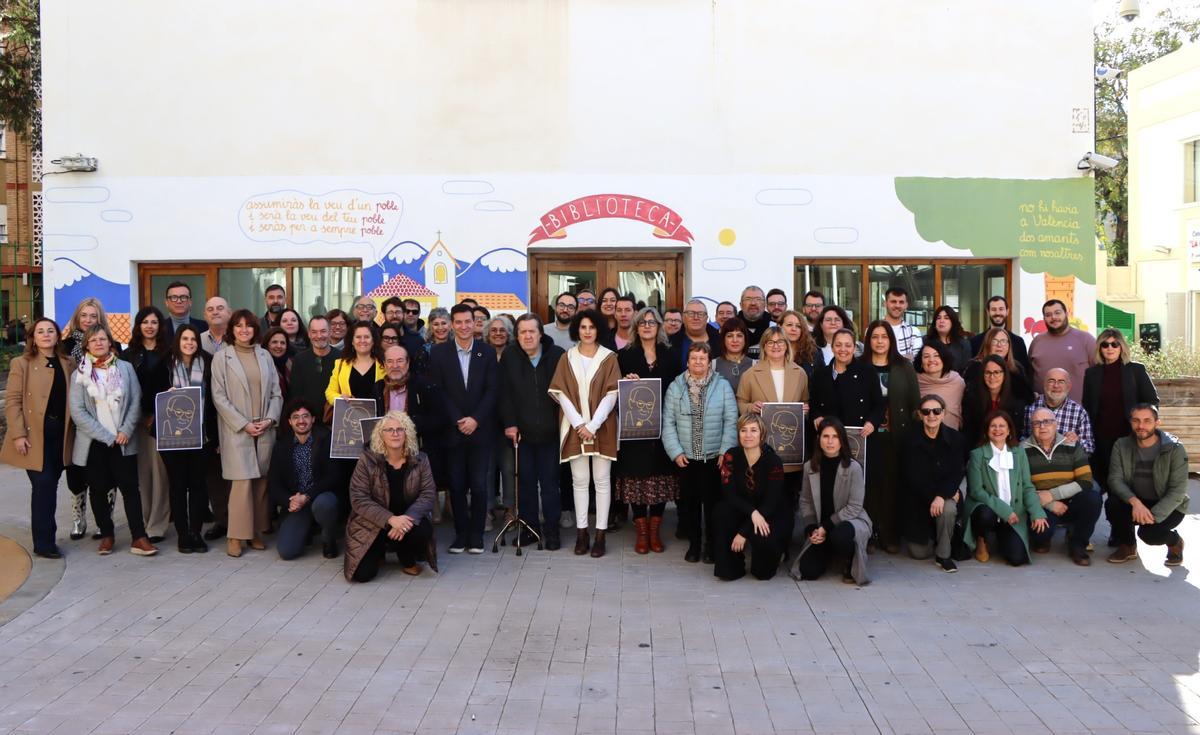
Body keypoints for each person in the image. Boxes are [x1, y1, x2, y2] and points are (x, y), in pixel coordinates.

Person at [68, 325, 158, 556]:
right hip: (95, 443)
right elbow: (78, 412)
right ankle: (107, 535)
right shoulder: (79, 374)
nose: (98, 343)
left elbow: (136, 401)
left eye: (102, 339)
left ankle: (139, 537)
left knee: (130, 489)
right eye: (93, 340)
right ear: (86, 345)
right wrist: (107, 437)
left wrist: (126, 430)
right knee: (98, 490)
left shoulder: (125, 368)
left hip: (124, 441)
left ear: (110, 343)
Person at [1, 318, 76, 558]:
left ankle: (47, 536)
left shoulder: (68, 363)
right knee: (43, 486)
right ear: (33, 336)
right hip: (34, 437)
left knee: (50, 486)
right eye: (40, 331)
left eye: (50, 331)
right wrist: (18, 434)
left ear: (57, 336)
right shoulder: (21, 363)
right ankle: (44, 542)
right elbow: (12, 402)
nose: (46, 335)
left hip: (61, 437)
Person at [548, 308, 620, 558]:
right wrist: (580, 424)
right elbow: (561, 393)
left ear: (598, 328)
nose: (587, 332)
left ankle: (600, 534)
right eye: (583, 327)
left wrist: (593, 425)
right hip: (574, 428)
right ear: (576, 329)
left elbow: (612, 394)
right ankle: (582, 533)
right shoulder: (566, 357)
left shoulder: (609, 357)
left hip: (602, 427)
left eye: (592, 327)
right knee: (579, 482)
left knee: (602, 481)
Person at [211, 309, 283, 557]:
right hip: (238, 429)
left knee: (261, 482)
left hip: (264, 427)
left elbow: (276, 392)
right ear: (231, 329)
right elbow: (218, 397)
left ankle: (255, 532)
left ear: (255, 329)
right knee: (241, 483)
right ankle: (235, 535)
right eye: (239, 326)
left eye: (249, 326)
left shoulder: (264, 355)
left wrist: (270, 419)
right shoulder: (222, 357)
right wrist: (243, 424)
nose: (244, 330)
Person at [428, 303, 499, 554]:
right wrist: (458, 419)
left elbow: (492, 390)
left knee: (479, 485)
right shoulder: (439, 354)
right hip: (453, 429)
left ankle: (477, 535)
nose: (463, 326)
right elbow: (439, 391)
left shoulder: (487, 352)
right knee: (456, 486)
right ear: (451, 325)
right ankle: (461, 534)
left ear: (474, 322)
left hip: (480, 430)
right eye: (457, 322)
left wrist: (475, 419)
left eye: (468, 321)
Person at [613, 307, 682, 553]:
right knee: (637, 478)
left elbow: (679, 389)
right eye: (642, 322)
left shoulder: (672, 355)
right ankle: (641, 532)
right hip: (636, 429)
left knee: (661, 478)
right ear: (635, 326)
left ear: (659, 326)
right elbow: (615, 392)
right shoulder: (624, 356)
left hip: (665, 426)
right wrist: (626, 383)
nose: (647, 325)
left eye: (652, 322)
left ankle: (655, 530)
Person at [735, 325, 809, 552]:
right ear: (764, 347)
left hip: (790, 447)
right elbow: (740, 403)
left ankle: (783, 544)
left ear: (787, 346)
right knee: (764, 496)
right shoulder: (750, 374)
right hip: (762, 448)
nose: (775, 346)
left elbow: (805, 402)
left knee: (786, 499)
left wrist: (805, 409)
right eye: (770, 342)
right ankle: (762, 542)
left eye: (780, 342)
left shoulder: (799, 373)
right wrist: (751, 406)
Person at [663, 341, 738, 561]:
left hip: (714, 458)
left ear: (709, 362)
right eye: (694, 358)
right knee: (690, 505)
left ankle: (711, 547)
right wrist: (675, 452)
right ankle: (694, 546)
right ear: (687, 361)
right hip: (686, 458)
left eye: (702, 358)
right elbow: (668, 423)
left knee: (713, 506)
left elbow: (731, 420)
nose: (698, 362)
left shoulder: (722, 386)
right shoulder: (675, 387)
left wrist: (725, 450)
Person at [344, 411, 438, 581]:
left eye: (400, 429)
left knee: (423, 530)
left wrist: (406, 519)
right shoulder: (367, 460)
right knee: (361, 575)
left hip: (406, 521)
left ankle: (405, 554)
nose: (395, 433)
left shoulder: (421, 460)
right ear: (381, 435)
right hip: (373, 522)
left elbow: (428, 495)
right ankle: (379, 550)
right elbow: (359, 499)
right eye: (389, 430)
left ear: (407, 433)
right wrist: (390, 519)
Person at [499, 314, 566, 549]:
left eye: (532, 332)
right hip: (522, 435)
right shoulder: (510, 356)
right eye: (522, 332)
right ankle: (529, 530)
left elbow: (565, 393)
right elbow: (504, 393)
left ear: (540, 334)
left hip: (550, 433)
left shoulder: (556, 355)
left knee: (550, 485)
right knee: (525, 484)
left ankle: (552, 531)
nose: (527, 336)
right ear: (517, 336)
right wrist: (510, 423)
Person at [148, 324, 216, 553]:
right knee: (178, 486)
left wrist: (215, 437)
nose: (189, 343)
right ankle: (183, 535)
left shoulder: (208, 362)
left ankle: (196, 533)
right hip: (172, 438)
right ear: (177, 340)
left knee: (198, 485)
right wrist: (163, 397)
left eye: (193, 339)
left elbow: (215, 400)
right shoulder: (164, 363)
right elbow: (149, 397)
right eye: (185, 339)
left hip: (202, 436)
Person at [862, 320, 921, 553]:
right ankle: (869, 532)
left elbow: (915, 403)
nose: (879, 341)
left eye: (884, 337)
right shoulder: (860, 365)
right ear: (869, 341)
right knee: (869, 486)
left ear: (891, 340)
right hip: (868, 436)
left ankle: (890, 534)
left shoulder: (904, 367)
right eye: (875, 337)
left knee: (892, 485)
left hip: (898, 437)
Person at [1081, 328, 1158, 502]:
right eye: (1105, 344)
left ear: (1121, 347)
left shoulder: (1135, 370)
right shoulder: (1091, 373)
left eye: (1114, 344)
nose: (1110, 348)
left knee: (1126, 484)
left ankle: (1124, 527)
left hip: (1128, 437)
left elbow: (1152, 400)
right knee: (1102, 483)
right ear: (1099, 348)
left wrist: (1145, 423)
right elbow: (1087, 406)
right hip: (1100, 438)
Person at [1107, 404, 1188, 566]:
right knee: (1113, 504)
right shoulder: (1121, 445)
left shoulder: (1174, 449)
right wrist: (1135, 503)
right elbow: (1115, 479)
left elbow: (1178, 491)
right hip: (1137, 500)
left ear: (1157, 423)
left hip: (1169, 505)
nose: (1141, 426)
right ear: (1131, 422)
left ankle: (1175, 541)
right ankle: (1128, 545)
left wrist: (1152, 516)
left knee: (1150, 535)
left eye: (1147, 421)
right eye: (1136, 421)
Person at [963, 410, 1048, 566]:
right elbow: (976, 491)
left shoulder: (1019, 453)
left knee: (1017, 559)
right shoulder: (977, 455)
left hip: (1014, 514)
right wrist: (1004, 511)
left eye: (1002, 426)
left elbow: (1027, 487)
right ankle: (982, 539)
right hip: (989, 511)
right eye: (993, 426)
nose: (997, 430)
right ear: (986, 430)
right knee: (984, 514)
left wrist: (1037, 512)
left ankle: (1003, 539)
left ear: (1009, 430)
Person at [793, 418, 872, 585]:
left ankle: (849, 560)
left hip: (850, 522)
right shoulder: (810, 467)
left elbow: (855, 506)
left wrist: (826, 526)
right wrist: (812, 528)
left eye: (835, 437)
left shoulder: (853, 468)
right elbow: (805, 501)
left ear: (842, 440)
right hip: (821, 526)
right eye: (825, 436)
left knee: (839, 536)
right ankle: (827, 551)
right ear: (818, 439)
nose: (830, 441)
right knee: (808, 571)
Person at [711, 414, 789, 581]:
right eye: (743, 430)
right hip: (745, 509)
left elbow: (771, 502)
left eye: (753, 430)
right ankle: (731, 566)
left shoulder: (773, 461)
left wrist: (743, 532)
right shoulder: (730, 456)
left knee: (762, 573)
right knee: (721, 511)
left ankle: (775, 553)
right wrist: (752, 514)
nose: (748, 435)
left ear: (762, 434)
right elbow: (729, 494)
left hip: (769, 513)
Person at [1021, 408, 1101, 566]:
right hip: (1041, 504)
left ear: (1056, 424)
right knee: (1041, 534)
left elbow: (1086, 480)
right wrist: (1050, 503)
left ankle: (1077, 544)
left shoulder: (1071, 444)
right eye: (1036, 423)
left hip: (1071, 501)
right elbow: (1022, 486)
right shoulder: (1022, 450)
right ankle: (1043, 540)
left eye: (1047, 422)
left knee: (1092, 499)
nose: (1042, 426)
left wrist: (1052, 495)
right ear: (1031, 426)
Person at [267, 399, 342, 560]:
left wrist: (306, 496)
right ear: (289, 422)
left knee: (325, 504)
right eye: (296, 417)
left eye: (305, 416)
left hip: (319, 497)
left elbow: (333, 476)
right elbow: (274, 484)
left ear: (313, 419)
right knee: (287, 552)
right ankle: (306, 530)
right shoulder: (282, 445)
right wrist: (289, 502)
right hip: (296, 504)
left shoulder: (326, 439)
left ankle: (328, 539)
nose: (301, 421)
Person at [122, 306, 172, 542]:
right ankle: (144, 519)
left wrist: (157, 414)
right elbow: (123, 390)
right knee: (142, 475)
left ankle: (158, 525)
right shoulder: (128, 355)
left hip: (163, 422)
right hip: (136, 422)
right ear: (138, 325)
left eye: (154, 322)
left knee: (160, 474)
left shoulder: (169, 352)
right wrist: (140, 416)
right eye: (145, 322)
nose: (150, 326)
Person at [902, 395, 965, 571]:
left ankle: (943, 555)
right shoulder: (910, 440)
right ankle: (935, 537)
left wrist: (942, 495)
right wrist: (935, 496)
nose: (932, 415)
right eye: (926, 411)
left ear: (943, 413)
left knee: (949, 507)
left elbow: (957, 471)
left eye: (937, 411)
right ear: (920, 415)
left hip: (943, 496)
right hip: (919, 500)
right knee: (919, 553)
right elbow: (913, 476)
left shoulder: (956, 439)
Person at [810, 329, 885, 437]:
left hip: (861, 437)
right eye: (838, 345)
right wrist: (817, 416)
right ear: (832, 348)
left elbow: (879, 405)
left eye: (848, 345)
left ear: (854, 348)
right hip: (830, 440)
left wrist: (871, 423)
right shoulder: (820, 374)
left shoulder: (868, 372)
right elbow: (814, 403)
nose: (843, 349)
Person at [1028, 299, 1096, 403]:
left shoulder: (1086, 340)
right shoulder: (1037, 341)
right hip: (1042, 413)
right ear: (1044, 318)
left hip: (1078, 413)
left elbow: (1100, 374)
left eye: (1057, 313)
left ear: (1066, 313)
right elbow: (1029, 375)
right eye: (1048, 315)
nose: (1053, 317)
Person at [484, 316, 515, 530]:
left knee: (509, 468)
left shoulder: (514, 355)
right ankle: (486, 510)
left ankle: (511, 511)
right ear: (487, 333)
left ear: (509, 334)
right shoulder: (482, 355)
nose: (497, 333)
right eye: (493, 330)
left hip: (509, 421)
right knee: (486, 469)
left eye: (502, 330)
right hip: (485, 422)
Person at [1022, 368, 1094, 454]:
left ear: (1069, 386)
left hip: (1066, 464)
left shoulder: (1079, 412)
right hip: (1035, 461)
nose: (1056, 386)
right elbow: (1022, 439)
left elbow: (1090, 448)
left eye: (1061, 382)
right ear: (1044, 384)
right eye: (1051, 381)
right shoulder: (1030, 407)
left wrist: (1077, 442)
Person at [964, 355, 1029, 444]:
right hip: (978, 449)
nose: (992, 377)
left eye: (997, 372)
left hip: (1007, 449)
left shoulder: (1017, 400)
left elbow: (1016, 431)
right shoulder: (972, 398)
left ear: (1004, 374)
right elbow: (968, 431)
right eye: (988, 372)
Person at [289, 315, 341, 421]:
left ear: (330, 332)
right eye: (314, 332)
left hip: (335, 419)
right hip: (308, 421)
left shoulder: (342, 358)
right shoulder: (299, 359)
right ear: (309, 334)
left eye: (323, 331)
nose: (319, 336)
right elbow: (295, 395)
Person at [962, 327, 1034, 402]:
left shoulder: (1016, 368)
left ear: (1009, 345)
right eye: (994, 341)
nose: (999, 345)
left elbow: (1026, 397)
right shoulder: (974, 367)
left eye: (1003, 341)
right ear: (987, 344)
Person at [968, 296, 1031, 376]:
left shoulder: (1018, 341)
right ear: (988, 312)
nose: (997, 313)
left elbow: (1025, 372)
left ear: (1007, 311)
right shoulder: (975, 341)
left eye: (1001, 309)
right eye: (993, 309)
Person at [915, 342, 965, 430]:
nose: (931, 360)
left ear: (944, 359)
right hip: (920, 437)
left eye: (936, 355)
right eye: (926, 356)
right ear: (921, 362)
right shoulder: (914, 382)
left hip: (952, 437)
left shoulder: (957, 382)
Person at [924, 305, 971, 374]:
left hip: (957, 383)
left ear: (953, 322)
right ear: (934, 323)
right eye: (938, 318)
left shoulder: (963, 344)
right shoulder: (925, 341)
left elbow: (966, 371)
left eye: (946, 318)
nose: (941, 321)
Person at [674, 299, 720, 369]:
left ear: (706, 318)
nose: (696, 318)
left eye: (700, 314)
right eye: (691, 314)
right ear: (683, 317)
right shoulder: (671, 342)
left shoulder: (720, 341)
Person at [713, 317, 753, 392]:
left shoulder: (755, 365)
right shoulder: (713, 365)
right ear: (723, 339)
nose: (735, 340)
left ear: (745, 339)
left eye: (739, 335)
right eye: (729, 336)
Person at [881, 287, 922, 360]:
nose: (897, 306)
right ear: (885, 304)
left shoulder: (914, 332)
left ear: (906, 305)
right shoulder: (873, 330)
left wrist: (885, 358)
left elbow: (917, 360)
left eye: (901, 302)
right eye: (893, 301)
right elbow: (871, 358)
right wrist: (906, 357)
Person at [778, 309, 818, 378]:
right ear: (779, 326)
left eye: (798, 326)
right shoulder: (772, 350)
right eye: (789, 325)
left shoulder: (813, 352)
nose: (794, 329)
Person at [736, 286, 773, 359]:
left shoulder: (775, 327)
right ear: (741, 304)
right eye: (748, 299)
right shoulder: (731, 327)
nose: (753, 303)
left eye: (758, 299)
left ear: (765, 304)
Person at [262, 327, 293, 402]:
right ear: (267, 344)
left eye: (282, 343)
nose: (279, 346)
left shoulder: (293, 364)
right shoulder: (262, 364)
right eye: (274, 342)